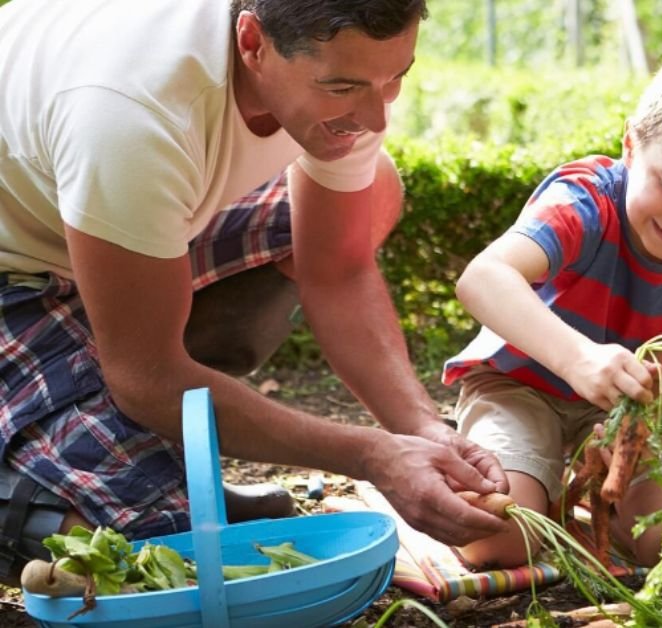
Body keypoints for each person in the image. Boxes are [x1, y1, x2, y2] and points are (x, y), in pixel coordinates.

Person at [0, 0, 510, 583]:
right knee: (151, 550)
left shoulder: (344, 75)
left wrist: (422, 430)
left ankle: (117, 409)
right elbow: (146, 375)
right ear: (252, 42)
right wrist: (372, 456)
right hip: (18, 268)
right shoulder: (134, 111)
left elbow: (337, 271)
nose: (375, 116)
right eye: (342, 87)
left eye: (395, 78)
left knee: (375, 192)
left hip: (104, 218)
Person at [442, 50, 662, 568]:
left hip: (622, 404)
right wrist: (577, 360)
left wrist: (624, 427)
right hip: (518, 384)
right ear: (630, 145)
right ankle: (528, 484)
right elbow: (482, 279)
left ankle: (586, 500)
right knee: (496, 540)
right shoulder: (584, 202)